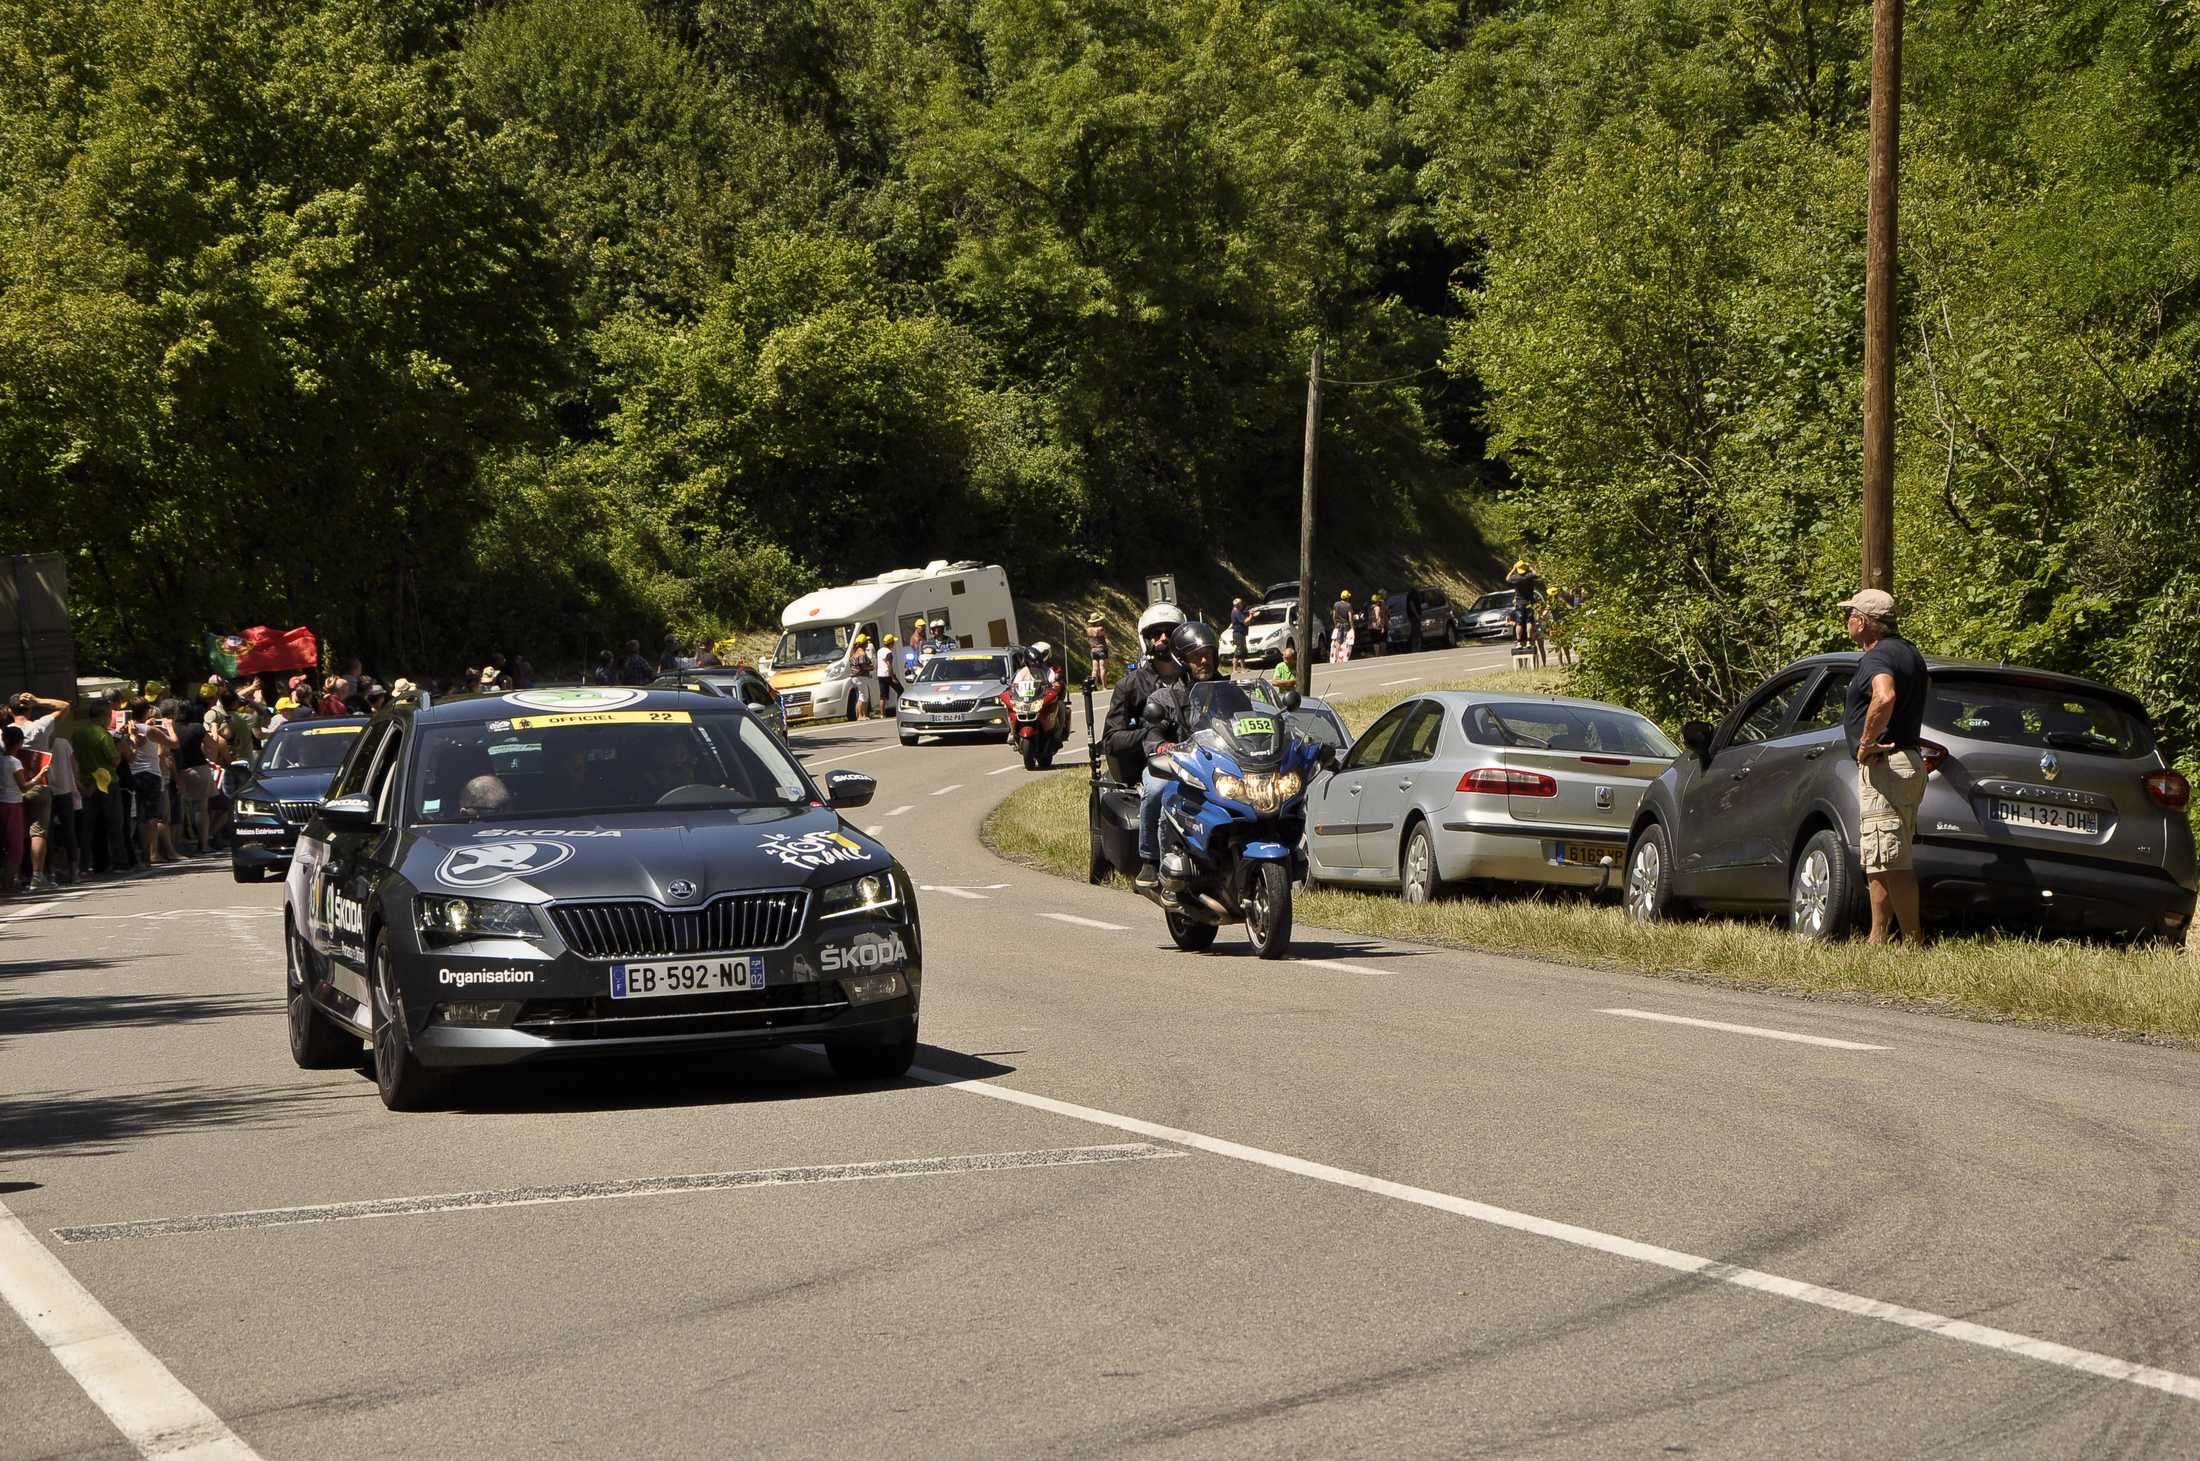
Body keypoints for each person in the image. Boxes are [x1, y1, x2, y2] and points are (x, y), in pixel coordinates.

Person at [1841, 588, 1931, 945]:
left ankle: (1913, 941)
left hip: (1887, 765)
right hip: (1906, 763)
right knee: (1879, 856)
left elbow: (1885, 695)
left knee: (1892, 858)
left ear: (1864, 622)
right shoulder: (1909, 652)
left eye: (1850, 615)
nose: (1847, 621)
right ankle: (1877, 939)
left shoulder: (1877, 657)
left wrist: (1866, 743)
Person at [1100, 603, 1187, 891]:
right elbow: (1111, 739)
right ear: (1145, 639)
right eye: (1156, 634)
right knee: (1158, 789)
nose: (1163, 638)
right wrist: (1149, 736)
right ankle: (1150, 860)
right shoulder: (1130, 686)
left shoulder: (1196, 676)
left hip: (1200, 758)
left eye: (1170, 632)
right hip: (1154, 762)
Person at [10, 691, 68, 888]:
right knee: (38, 831)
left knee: (15, 831)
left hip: (12, 788)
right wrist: (38, 701)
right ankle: (37, 876)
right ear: (29, 709)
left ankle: (15, 876)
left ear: (10, 710)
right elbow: (64, 706)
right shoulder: (40, 726)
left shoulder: (4, 733)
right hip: (39, 784)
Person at [69, 700, 123, 876]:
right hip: (106, 782)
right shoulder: (103, 735)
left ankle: (87, 864)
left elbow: (76, 758)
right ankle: (118, 862)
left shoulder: (78, 734)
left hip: (87, 783)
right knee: (114, 824)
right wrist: (120, 746)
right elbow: (114, 761)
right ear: (105, 716)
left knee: (89, 827)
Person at [125, 700, 180, 866]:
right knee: (151, 817)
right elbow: (174, 743)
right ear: (147, 712)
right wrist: (169, 726)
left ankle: (144, 853)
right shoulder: (150, 730)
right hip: (151, 774)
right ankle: (152, 853)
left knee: (138, 816)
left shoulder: (127, 729)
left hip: (133, 774)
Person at [0, 723, 39, 898]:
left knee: (5, 844)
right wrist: (40, 775)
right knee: (15, 846)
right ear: (20, 743)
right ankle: (7, 883)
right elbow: (23, 787)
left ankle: (7, 881)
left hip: (2, 802)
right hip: (13, 804)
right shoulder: (14, 762)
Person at [1330, 589, 1355, 664]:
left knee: (1337, 641)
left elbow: (1334, 616)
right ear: (1347, 598)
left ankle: (1337, 658)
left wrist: (1335, 624)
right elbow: (1350, 618)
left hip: (1338, 625)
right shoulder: (1348, 605)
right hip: (1346, 625)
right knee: (1345, 641)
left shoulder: (1336, 604)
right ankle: (1343, 658)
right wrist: (1352, 627)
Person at [881, 634, 904, 712]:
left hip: (880, 675)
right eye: (893, 642)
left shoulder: (880, 651)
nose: (894, 644)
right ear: (890, 643)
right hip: (888, 674)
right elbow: (889, 665)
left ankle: (882, 714)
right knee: (900, 690)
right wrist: (893, 677)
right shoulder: (889, 652)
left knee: (882, 696)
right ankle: (899, 709)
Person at [1085, 614, 1110, 687]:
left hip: (1093, 650)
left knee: (1094, 669)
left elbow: (1089, 639)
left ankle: (1093, 686)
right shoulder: (1100, 629)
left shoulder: (1088, 630)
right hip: (1102, 650)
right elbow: (1106, 638)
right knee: (1103, 668)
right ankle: (1104, 686)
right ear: (1097, 621)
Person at [1227, 597, 1248, 671]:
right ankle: (1234, 669)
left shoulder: (1237, 611)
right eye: (1241, 603)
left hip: (1240, 633)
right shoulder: (1236, 612)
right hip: (1238, 633)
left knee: (1241, 650)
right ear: (1238, 604)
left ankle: (1243, 668)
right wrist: (1252, 616)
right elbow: (1245, 622)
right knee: (1238, 651)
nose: (1242, 604)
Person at [1405, 586, 1426, 654]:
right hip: (1413, 616)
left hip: (1415, 615)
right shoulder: (1412, 596)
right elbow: (1412, 605)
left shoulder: (1416, 595)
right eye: (1418, 588)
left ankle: (1418, 646)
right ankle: (1415, 647)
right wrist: (1417, 614)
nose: (1419, 589)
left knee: (1417, 630)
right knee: (1415, 631)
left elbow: (1421, 604)